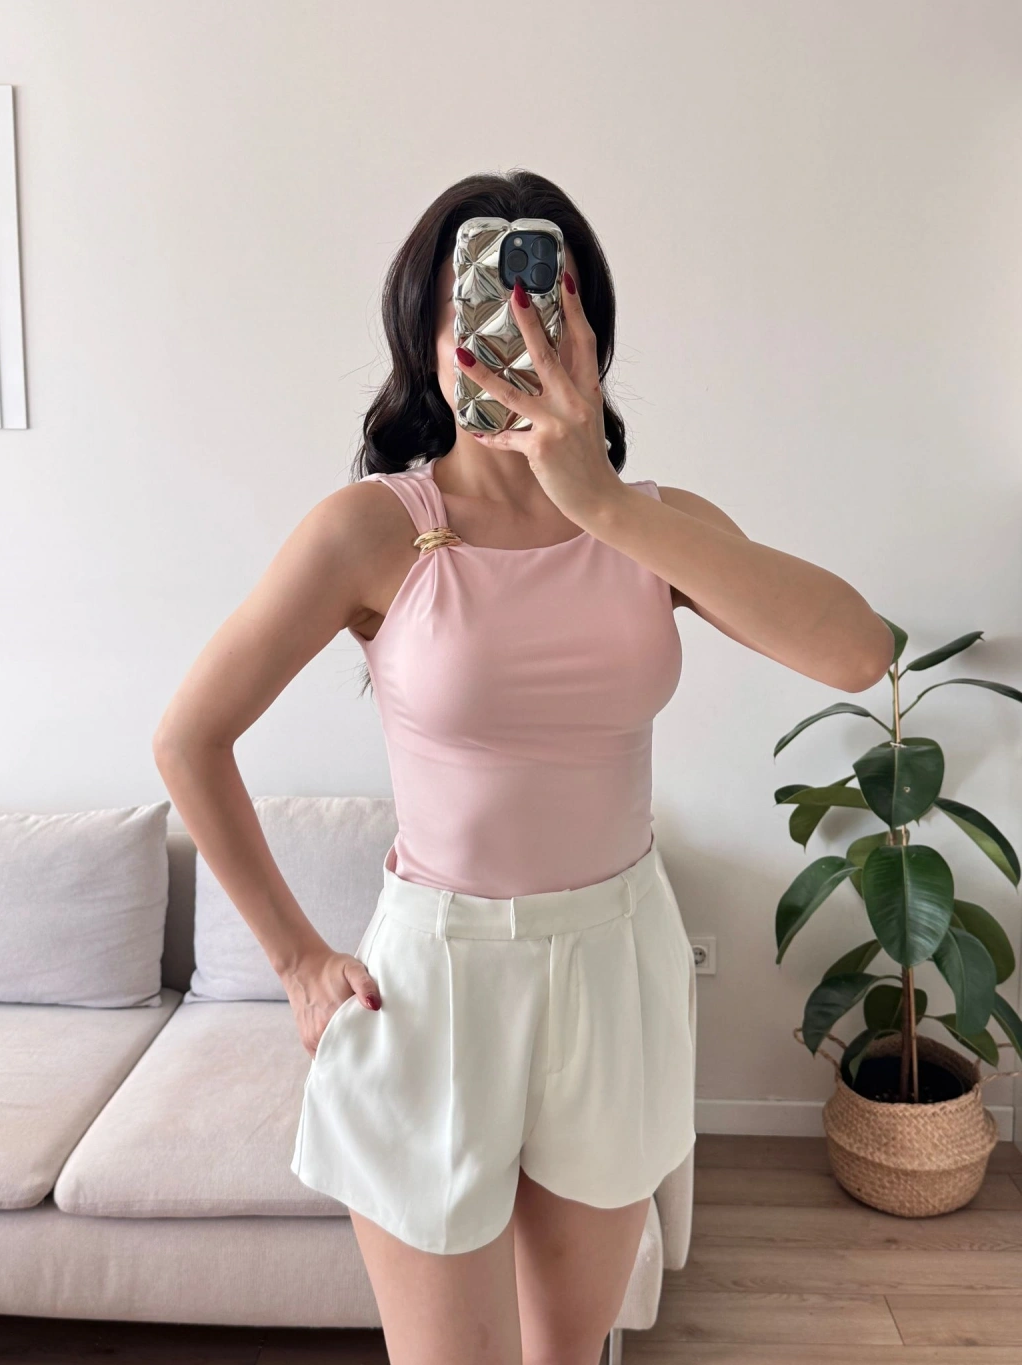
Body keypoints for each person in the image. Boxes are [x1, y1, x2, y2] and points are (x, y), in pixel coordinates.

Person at [153, 169, 895, 1365]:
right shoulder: (375, 529)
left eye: (542, 304)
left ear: (587, 330)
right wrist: (294, 961)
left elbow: (858, 651)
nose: (509, 334)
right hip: (435, 986)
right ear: (427, 334)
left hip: (617, 960)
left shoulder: (652, 523)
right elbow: (188, 738)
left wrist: (601, 501)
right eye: (475, 305)